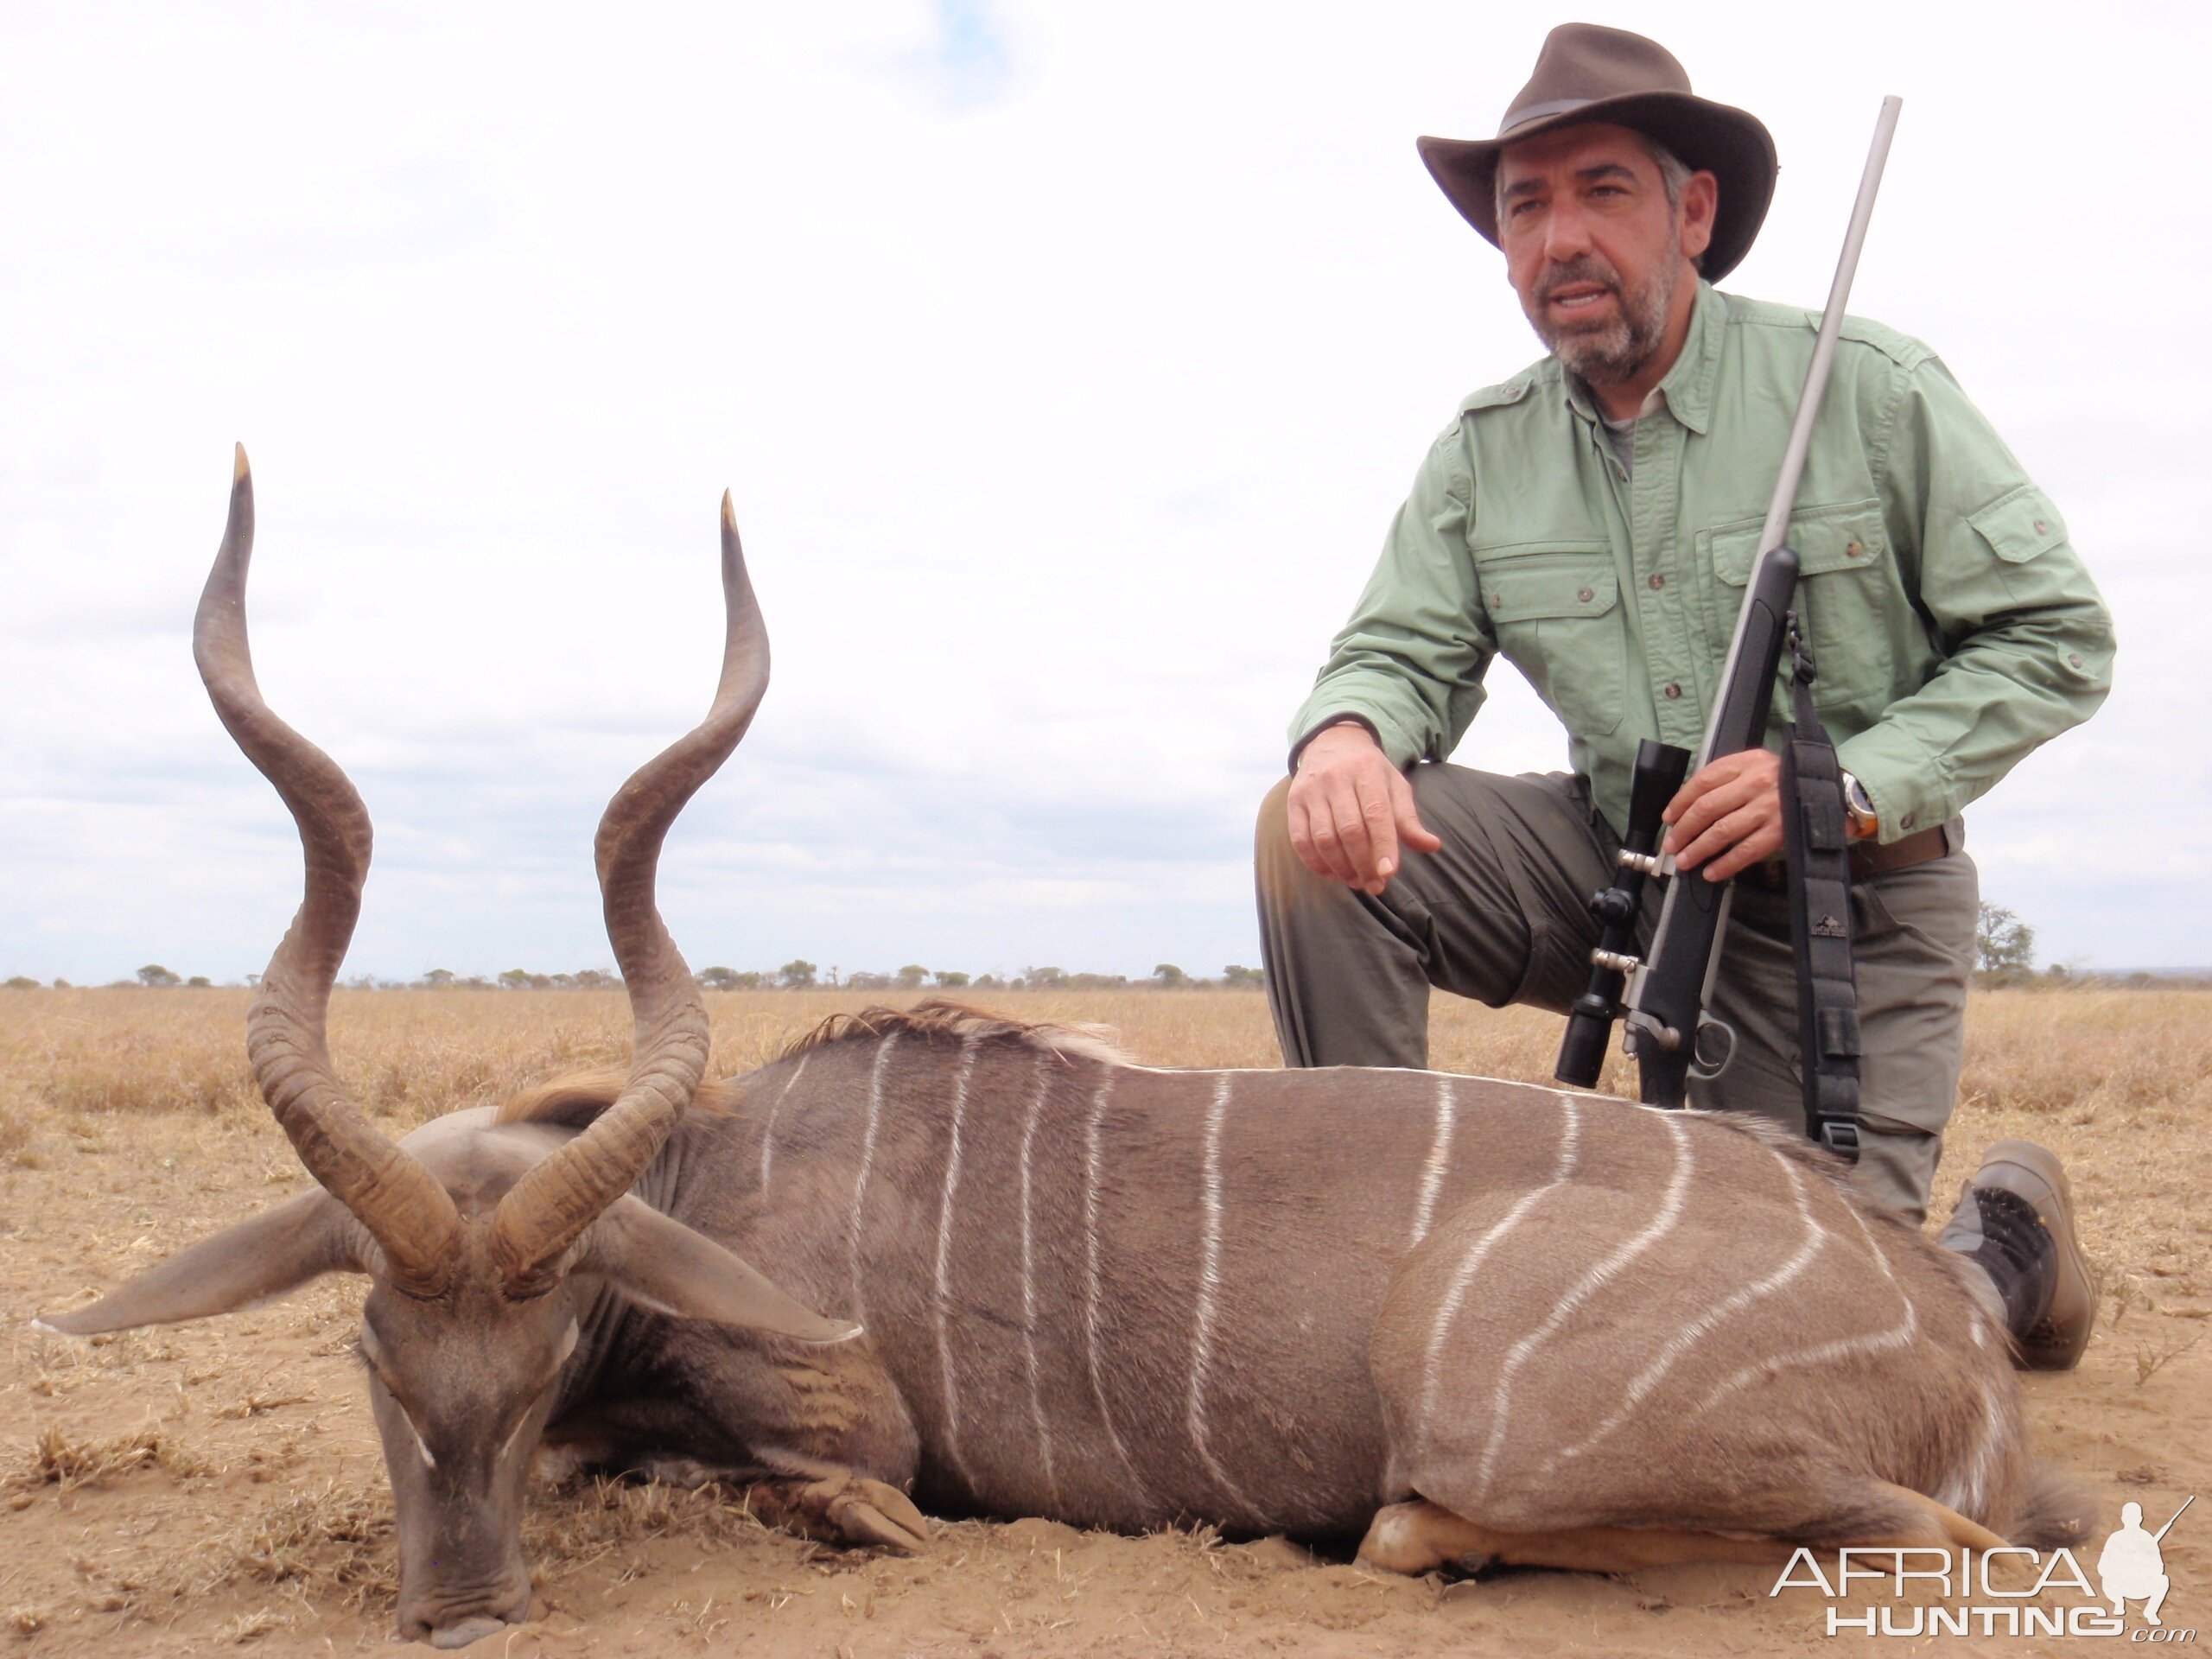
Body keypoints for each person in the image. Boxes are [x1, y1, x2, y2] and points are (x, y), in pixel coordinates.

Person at [1254, 24, 2113, 1369]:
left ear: (1692, 212)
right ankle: (1368, 1283)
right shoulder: (1484, 451)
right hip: (1626, 874)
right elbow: (1394, 656)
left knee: (1838, 1352)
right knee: (1321, 836)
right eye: (1522, 206)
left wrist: (1843, 785)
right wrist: (1348, 735)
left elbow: (2055, 638)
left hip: (1850, 912)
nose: (1556, 242)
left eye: (1601, 190)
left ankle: (2008, 1248)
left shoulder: (1873, 389)